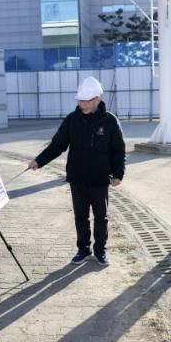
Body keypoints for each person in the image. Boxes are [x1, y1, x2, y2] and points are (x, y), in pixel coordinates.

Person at [28, 77, 125, 266]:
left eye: (86, 100)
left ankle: (100, 250)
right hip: (77, 178)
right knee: (80, 217)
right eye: (80, 100)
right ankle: (83, 249)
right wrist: (39, 161)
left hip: (99, 179)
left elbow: (118, 150)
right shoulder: (72, 120)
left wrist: (118, 174)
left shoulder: (110, 121)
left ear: (98, 99)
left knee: (101, 217)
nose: (82, 104)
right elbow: (57, 145)